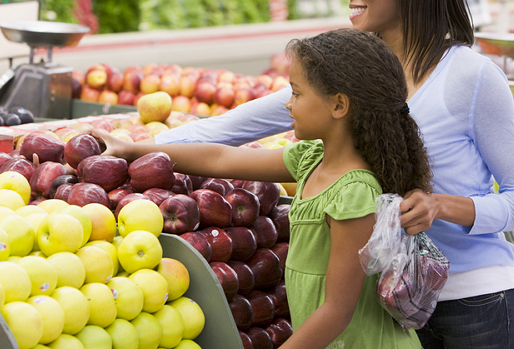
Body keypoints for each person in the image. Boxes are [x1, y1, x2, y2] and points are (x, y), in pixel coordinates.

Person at [149, 0, 514, 348]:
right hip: (388, 307)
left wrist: (441, 205)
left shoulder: (472, 77)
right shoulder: (351, 73)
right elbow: (221, 134)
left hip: (474, 305)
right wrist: (130, 150)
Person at [93, 28, 429, 348]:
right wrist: (132, 149)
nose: (288, 105)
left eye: (297, 93)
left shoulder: (354, 194)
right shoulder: (312, 159)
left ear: (339, 105)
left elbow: (336, 312)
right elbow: (220, 158)